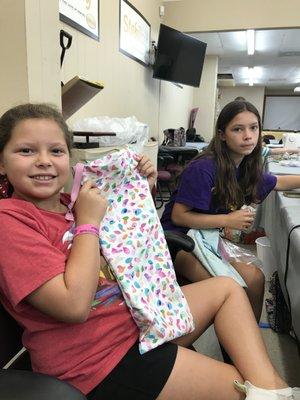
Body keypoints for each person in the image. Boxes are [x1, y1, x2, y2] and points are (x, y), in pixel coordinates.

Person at [0, 103, 299, 400]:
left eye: (56, 151)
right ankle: (273, 392)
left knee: (228, 289)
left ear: (69, 157)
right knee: (240, 385)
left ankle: (272, 392)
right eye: (26, 151)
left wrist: (141, 189)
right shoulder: (10, 221)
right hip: (97, 359)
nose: (44, 161)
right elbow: (74, 306)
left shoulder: (72, 201)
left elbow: (132, 244)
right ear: (1, 162)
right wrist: (88, 223)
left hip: (136, 320)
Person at [161, 100, 300, 323]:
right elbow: (179, 216)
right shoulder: (203, 168)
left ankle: (246, 340)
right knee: (232, 290)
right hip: (178, 242)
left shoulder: (243, 166)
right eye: (238, 129)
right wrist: (228, 219)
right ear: (222, 134)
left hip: (206, 238)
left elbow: (280, 182)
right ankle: (236, 347)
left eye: (253, 128)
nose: (248, 136)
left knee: (255, 280)